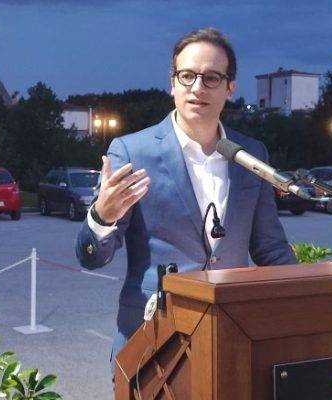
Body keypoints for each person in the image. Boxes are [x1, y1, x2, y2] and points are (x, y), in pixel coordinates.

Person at [75, 28, 297, 362]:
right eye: (187, 76)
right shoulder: (132, 152)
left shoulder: (251, 154)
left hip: (231, 339)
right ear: (173, 83)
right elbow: (91, 258)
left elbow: (271, 248)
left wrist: (311, 296)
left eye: (211, 78)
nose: (197, 87)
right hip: (152, 341)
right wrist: (102, 218)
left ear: (230, 88)